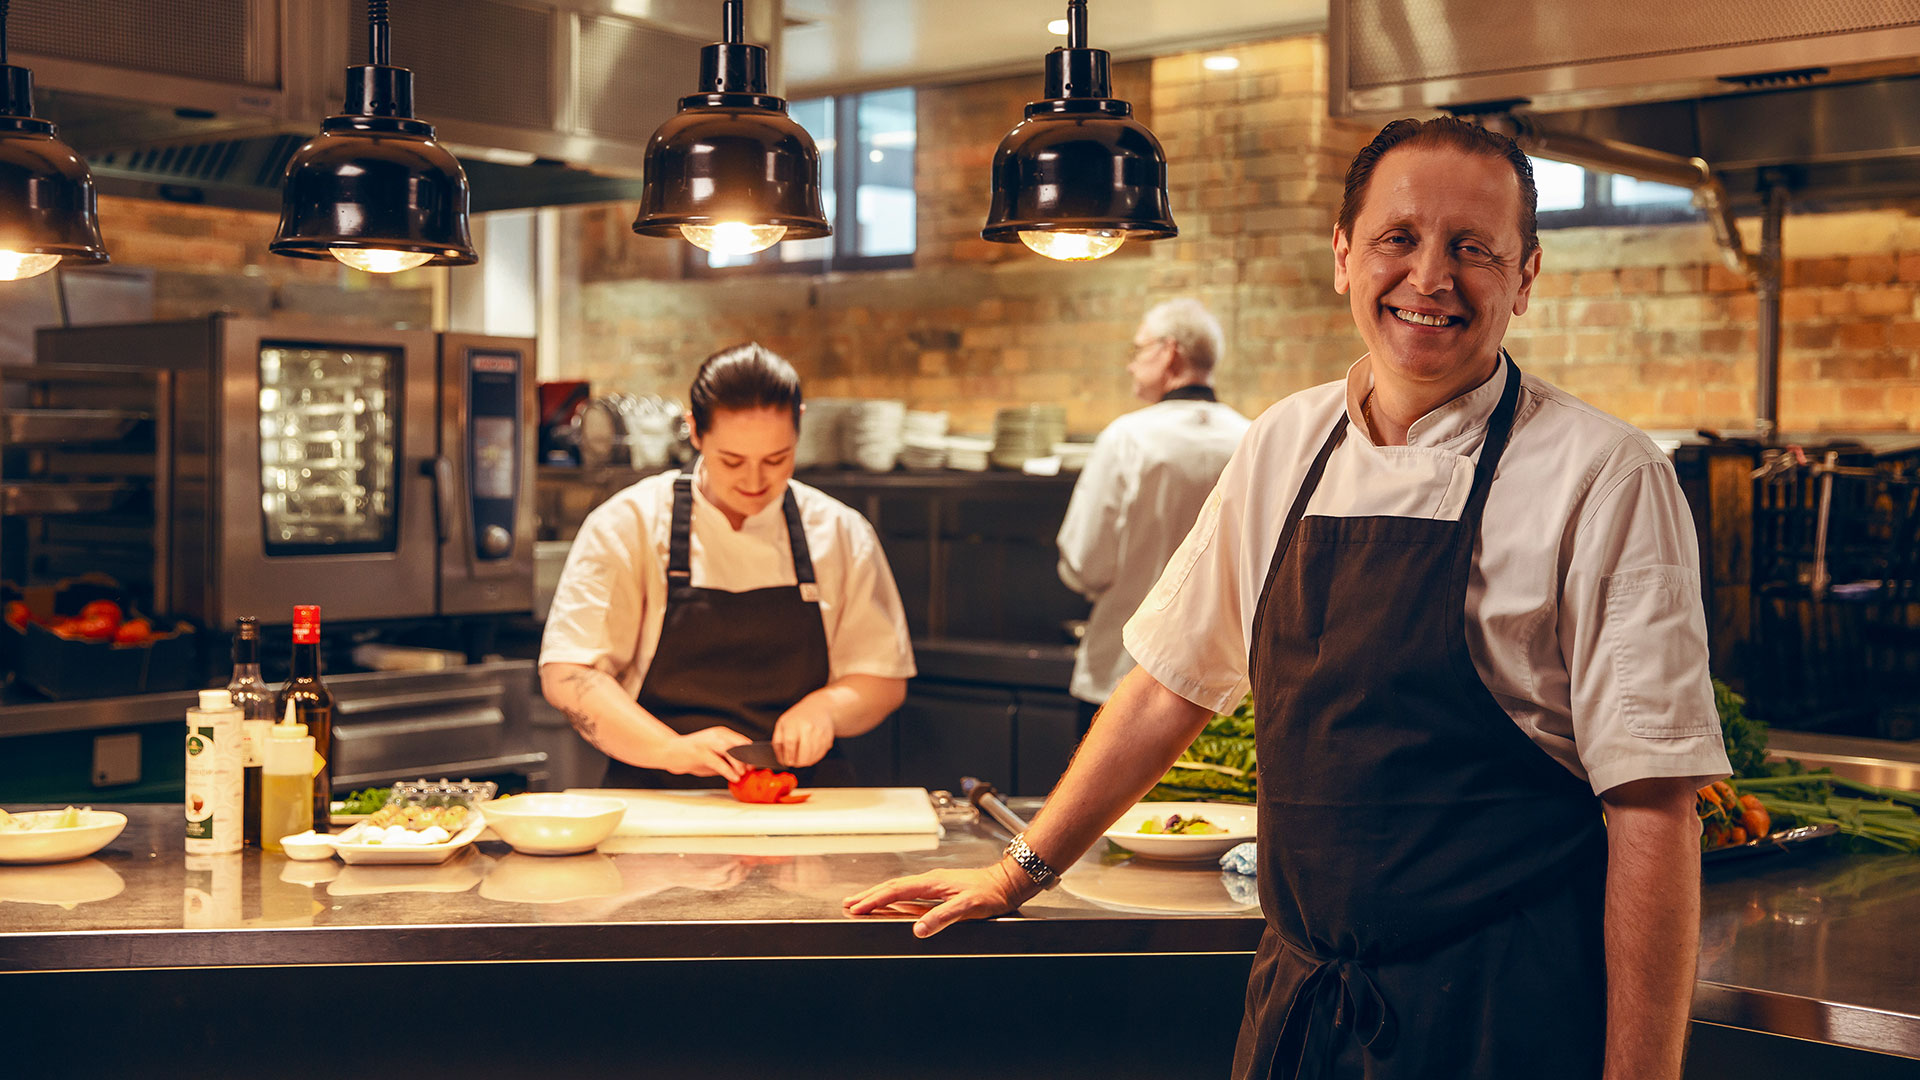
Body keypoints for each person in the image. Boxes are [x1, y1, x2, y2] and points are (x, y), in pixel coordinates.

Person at [845, 118, 1731, 1080]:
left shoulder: (1606, 476)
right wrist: (1017, 872)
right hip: (1304, 1005)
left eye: (1473, 249)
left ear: (1525, 277)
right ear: (1345, 254)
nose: (1431, 278)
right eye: (1399, 238)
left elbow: (1653, 808)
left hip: (1501, 1011)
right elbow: (1169, 684)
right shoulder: (1284, 443)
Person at [541, 343, 915, 788]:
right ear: (695, 432)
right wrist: (669, 748)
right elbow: (569, 673)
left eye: (777, 459)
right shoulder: (629, 524)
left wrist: (828, 708)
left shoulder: (840, 531)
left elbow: (883, 677)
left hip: (806, 798)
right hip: (662, 796)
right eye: (732, 461)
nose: (755, 482)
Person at [1056, 299, 1250, 724]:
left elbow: (1086, 562)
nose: (1130, 365)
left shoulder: (1127, 438)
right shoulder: (1250, 436)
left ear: (1168, 352)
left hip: (1124, 673)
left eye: (1136, 350)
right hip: (1220, 683)